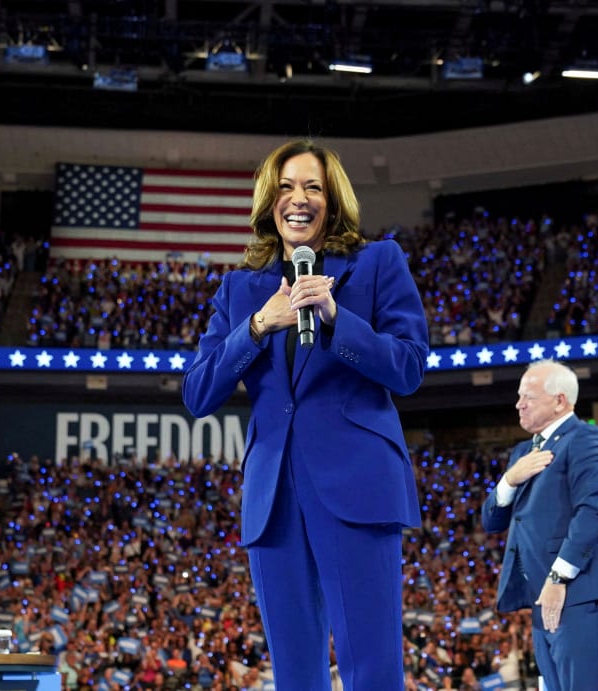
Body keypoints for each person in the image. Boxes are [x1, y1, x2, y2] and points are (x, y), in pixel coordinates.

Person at [182, 138, 429, 690]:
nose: (300, 198)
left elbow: (409, 367)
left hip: (357, 483)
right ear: (270, 202)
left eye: (313, 186)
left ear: (332, 199)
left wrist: (338, 318)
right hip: (273, 497)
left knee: (371, 664)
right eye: (287, 187)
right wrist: (256, 327)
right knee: (295, 671)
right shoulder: (240, 287)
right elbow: (197, 393)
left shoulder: (376, 262)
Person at [481, 359, 598, 691]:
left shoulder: (586, 438)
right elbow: (491, 521)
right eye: (519, 396)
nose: (518, 404)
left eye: (529, 396)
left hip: (578, 591)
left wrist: (557, 578)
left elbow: (593, 514)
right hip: (543, 596)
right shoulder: (523, 453)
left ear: (560, 401)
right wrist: (509, 479)